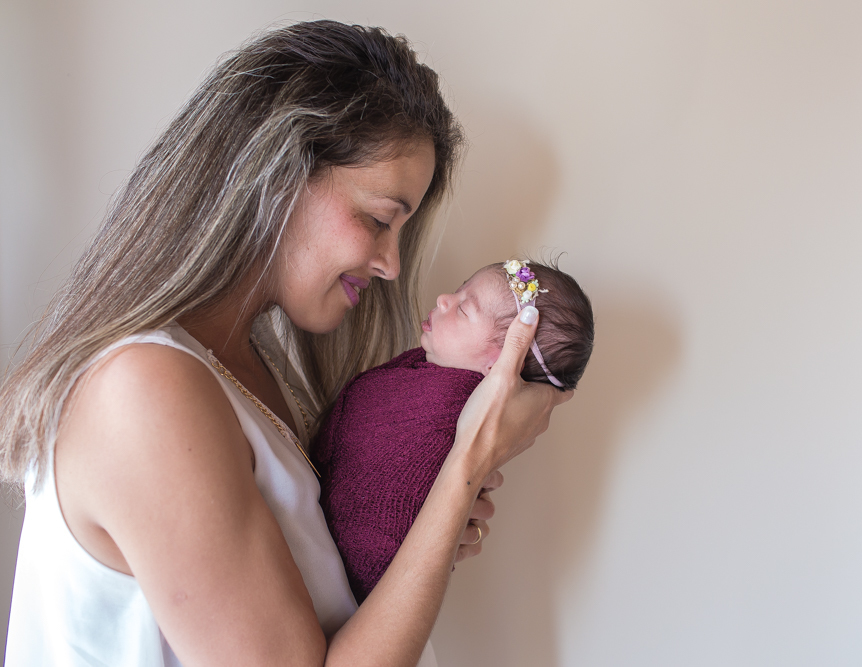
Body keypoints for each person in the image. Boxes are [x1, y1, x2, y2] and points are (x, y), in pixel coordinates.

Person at [0, 21, 571, 667]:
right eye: (380, 219)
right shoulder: (144, 390)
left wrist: (422, 518)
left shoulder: (248, 373)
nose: (390, 264)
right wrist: (470, 457)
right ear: (276, 177)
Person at [316, 259, 594, 603]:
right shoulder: (427, 375)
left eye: (464, 308)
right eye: (460, 288)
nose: (445, 299)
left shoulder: (450, 406)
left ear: (500, 364)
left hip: (362, 574)